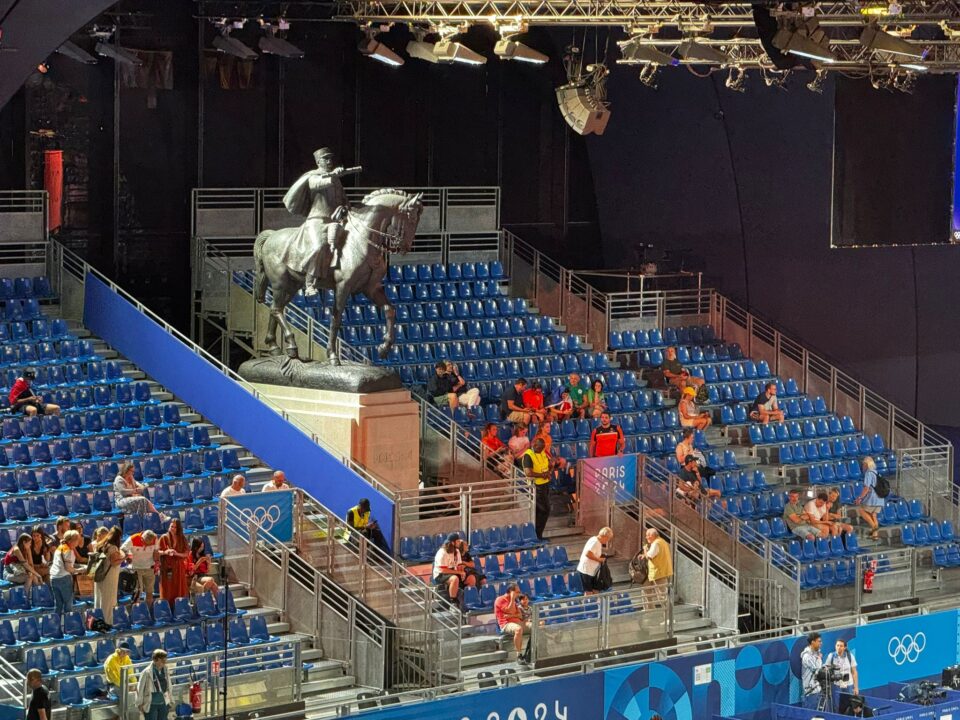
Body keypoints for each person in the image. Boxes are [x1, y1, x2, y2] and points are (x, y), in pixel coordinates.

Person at [280, 147, 355, 296]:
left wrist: (344, 208)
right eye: (325, 159)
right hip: (317, 220)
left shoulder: (336, 181)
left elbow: (344, 199)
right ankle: (309, 283)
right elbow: (316, 184)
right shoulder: (313, 176)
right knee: (318, 247)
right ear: (318, 161)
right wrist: (332, 175)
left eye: (330, 159)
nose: (329, 161)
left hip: (336, 220)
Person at [522, 438, 554, 539]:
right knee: (545, 510)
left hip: (545, 485)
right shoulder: (528, 455)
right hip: (536, 487)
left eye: (542, 448)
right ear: (534, 445)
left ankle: (537, 535)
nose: (541, 450)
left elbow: (549, 464)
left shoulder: (542, 452)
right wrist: (542, 475)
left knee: (540, 511)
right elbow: (528, 473)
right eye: (540, 448)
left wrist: (549, 471)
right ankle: (537, 535)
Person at [493, 583, 530, 665]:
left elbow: (520, 615)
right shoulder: (500, 599)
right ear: (511, 591)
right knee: (518, 629)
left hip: (518, 621)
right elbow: (508, 610)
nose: (519, 594)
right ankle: (519, 655)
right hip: (506, 624)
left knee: (536, 626)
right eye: (517, 592)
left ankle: (530, 652)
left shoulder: (515, 602)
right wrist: (512, 599)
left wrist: (512, 615)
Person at [121, 529, 159, 608]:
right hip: (136, 569)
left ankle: (148, 611)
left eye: (149, 544)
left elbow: (156, 551)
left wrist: (157, 562)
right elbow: (122, 549)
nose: (147, 546)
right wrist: (127, 557)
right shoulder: (133, 538)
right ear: (142, 538)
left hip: (150, 568)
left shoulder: (155, 538)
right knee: (138, 592)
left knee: (150, 592)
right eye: (146, 544)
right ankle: (135, 612)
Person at [93, 526, 123, 625]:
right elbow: (114, 562)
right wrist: (124, 557)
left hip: (100, 576)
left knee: (99, 600)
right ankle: (107, 624)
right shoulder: (112, 547)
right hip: (109, 578)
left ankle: (97, 622)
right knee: (108, 603)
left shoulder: (101, 544)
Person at [50, 530, 82, 615]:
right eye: (77, 539)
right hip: (63, 578)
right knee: (68, 605)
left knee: (58, 605)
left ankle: (56, 626)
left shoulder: (60, 547)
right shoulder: (68, 551)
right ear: (71, 541)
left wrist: (78, 567)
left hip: (54, 578)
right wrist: (80, 570)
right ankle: (68, 626)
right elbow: (68, 568)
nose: (78, 541)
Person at [135, 649, 173, 720]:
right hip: (151, 704)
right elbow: (140, 689)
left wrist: (170, 700)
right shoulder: (146, 672)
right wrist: (139, 704)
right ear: (157, 660)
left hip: (164, 702)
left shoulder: (165, 670)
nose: (165, 663)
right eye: (163, 661)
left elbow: (169, 685)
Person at [158, 519, 190, 602]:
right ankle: (167, 609)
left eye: (175, 527)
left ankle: (179, 607)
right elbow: (157, 552)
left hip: (179, 567)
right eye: (171, 526)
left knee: (179, 588)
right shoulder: (164, 537)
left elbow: (186, 553)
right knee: (167, 589)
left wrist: (176, 554)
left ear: (178, 529)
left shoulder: (182, 538)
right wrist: (165, 552)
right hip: (167, 567)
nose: (172, 528)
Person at [577, 527, 612, 594]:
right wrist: (599, 559)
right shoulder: (595, 542)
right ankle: (588, 604)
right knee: (588, 592)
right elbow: (588, 553)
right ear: (605, 536)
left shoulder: (596, 541)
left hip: (591, 570)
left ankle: (595, 604)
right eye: (608, 539)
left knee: (595, 590)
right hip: (586, 571)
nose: (607, 541)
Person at [855, 457, 883, 541]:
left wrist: (860, 498)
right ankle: (875, 535)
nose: (862, 465)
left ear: (866, 465)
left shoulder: (868, 473)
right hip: (880, 498)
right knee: (873, 515)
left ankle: (874, 528)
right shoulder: (877, 473)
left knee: (861, 511)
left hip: (873, 498)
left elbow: (866, 488)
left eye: (863, 464)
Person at [644, 528, 673, 609]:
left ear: (652, 535)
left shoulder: (656, 543)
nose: (646, 537)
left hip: (659, 573)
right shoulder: (662, 541)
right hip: (660, 572)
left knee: (662, 596)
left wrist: (645, 550)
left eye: (647, 535)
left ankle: (668, 618)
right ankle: (650, 611)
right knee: (648, 591)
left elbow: (649, 556)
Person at [432, 534, 463, 605]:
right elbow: (443, 570)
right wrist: (459, 572)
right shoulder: (442, 553)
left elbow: (459, 565)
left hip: (452, 571)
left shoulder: (457, 551)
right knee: (454, 578)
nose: (459, 543)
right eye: (458, 541)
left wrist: (462, 572)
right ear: (452, 543)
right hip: (440, 574)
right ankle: (453, 601)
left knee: (470, 578)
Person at [801, 632, 824, 710]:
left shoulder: (817, 654)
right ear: (812, 642)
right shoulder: (806, 656)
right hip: (810, 693)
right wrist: (819, 658)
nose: (821, 643)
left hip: (818, 690)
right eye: (819, 641)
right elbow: (816, 670)